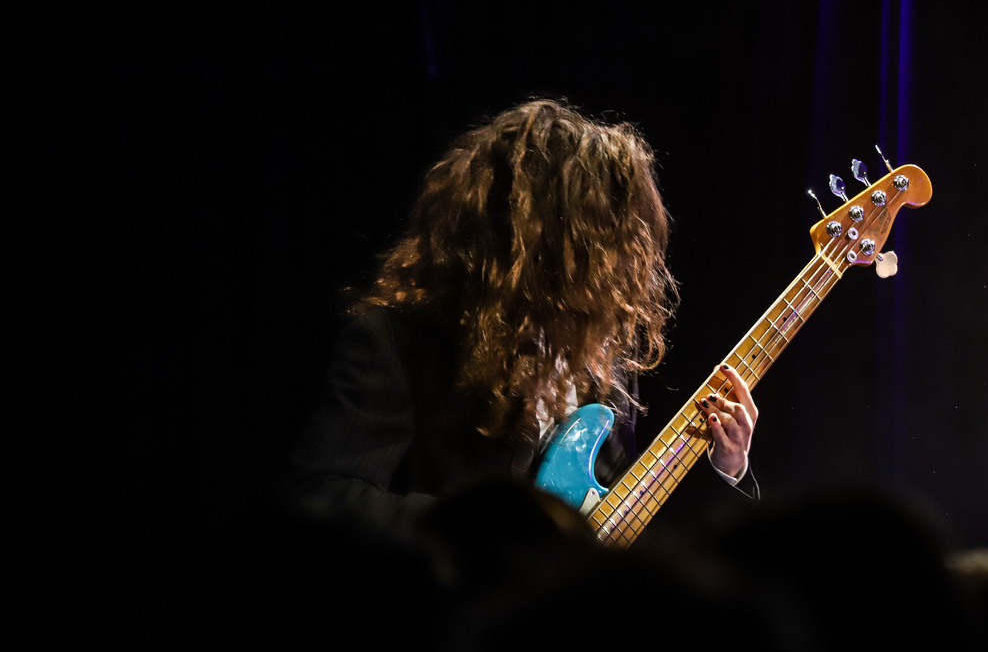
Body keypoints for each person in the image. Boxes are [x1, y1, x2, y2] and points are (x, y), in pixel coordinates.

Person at [286, 98, 758, 541]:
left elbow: (626, 529)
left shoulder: (605, 362)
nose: (616, 262)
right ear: (531, 240)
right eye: (596, 238)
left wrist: (728, 467)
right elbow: (321, 495)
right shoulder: (395, 342)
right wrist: (488, 530)